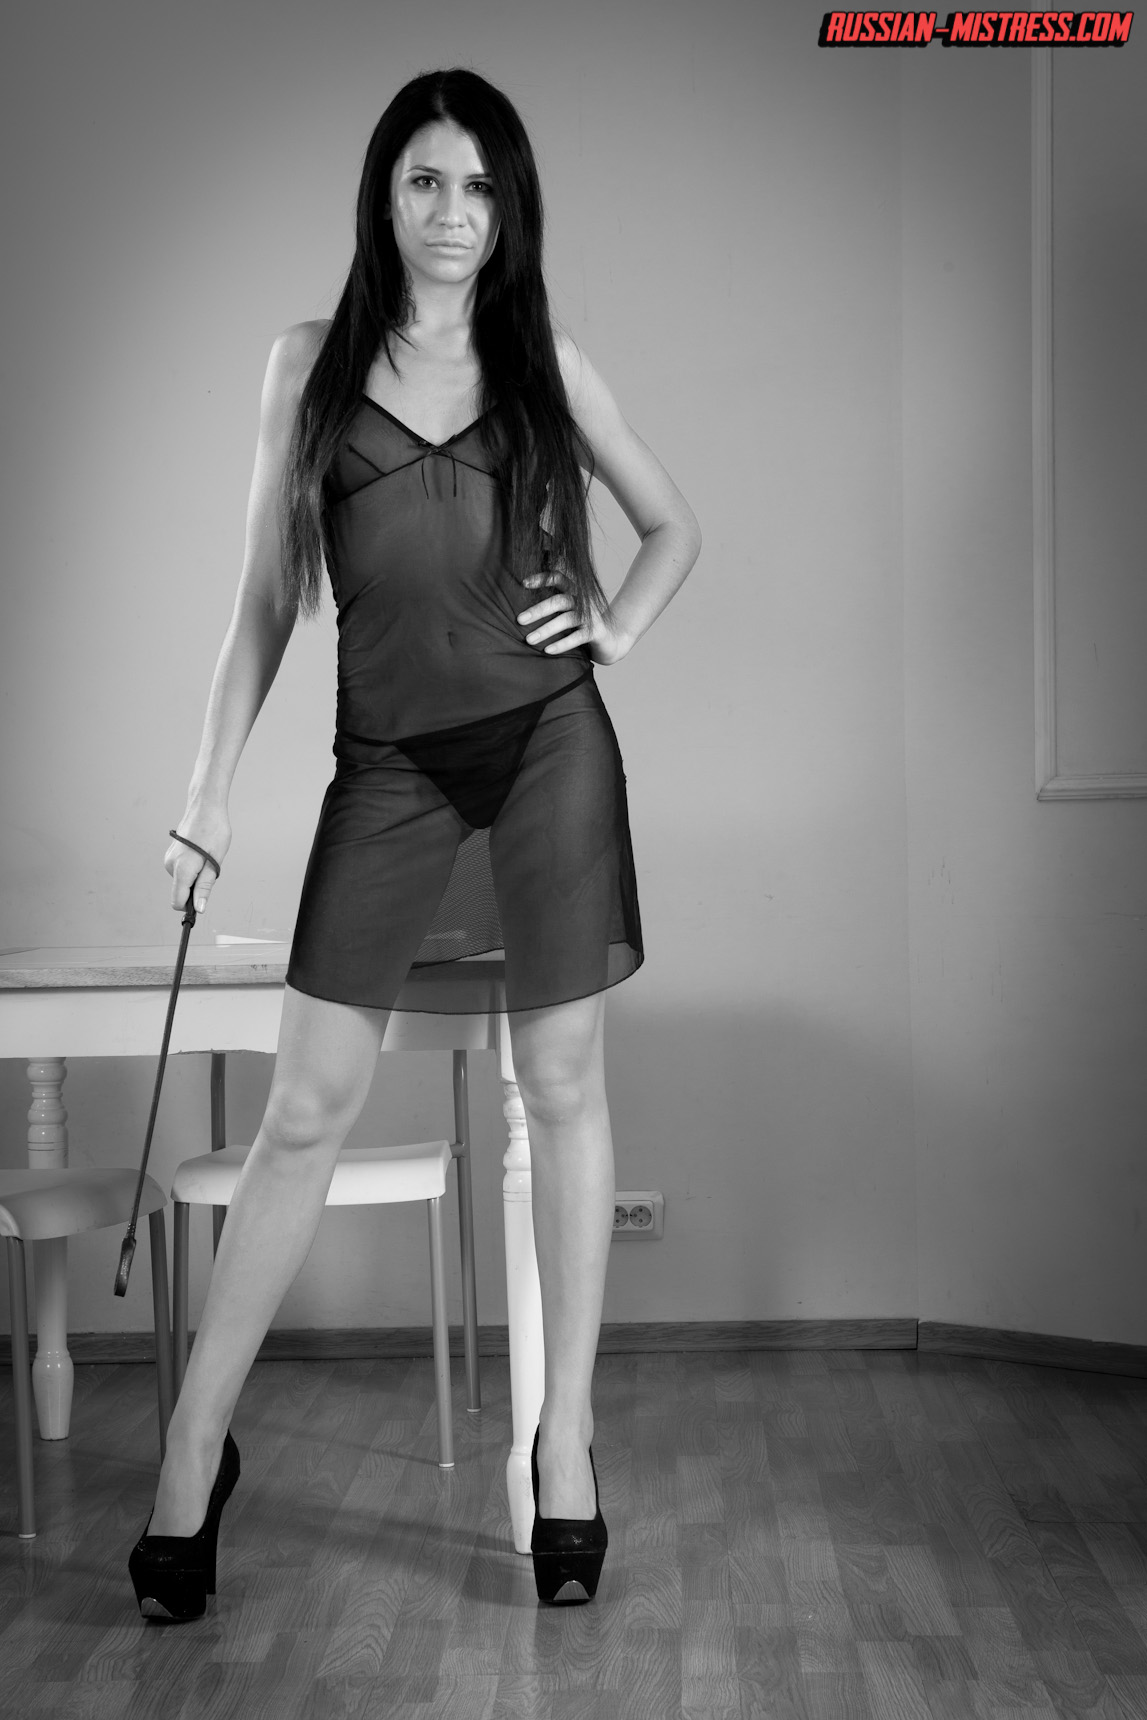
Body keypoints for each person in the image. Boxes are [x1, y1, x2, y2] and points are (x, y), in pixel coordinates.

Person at [128, 67, 700, 1619]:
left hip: (549, 752)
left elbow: (675, 525)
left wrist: (615, 624)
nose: (455, 214)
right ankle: (191, 1453)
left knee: (561, 1087)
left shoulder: (545, 365)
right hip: (384, 769)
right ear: (383, 197)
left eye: (482, 188)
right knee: (306, 1109)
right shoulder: (307, 367)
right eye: (428, 182)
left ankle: (563, 1446)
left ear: (511, 212)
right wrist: (205, 792)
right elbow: (265, 598)